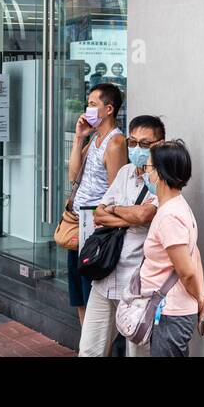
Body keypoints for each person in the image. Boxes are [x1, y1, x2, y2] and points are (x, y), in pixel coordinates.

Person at [79, 114, 164, 357]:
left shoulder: (162, 181)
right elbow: (99, 214)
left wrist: (115, 211)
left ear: (160, 144)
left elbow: (145, 215)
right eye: (133, 142)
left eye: (145, 144)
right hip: (105, 276)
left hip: (138, 286)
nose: (138, 149)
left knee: (138, 351)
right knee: (88, 351)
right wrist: (126, 214)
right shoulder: (126, 171)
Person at [140, 140, 204, 357]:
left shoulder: (170, 216)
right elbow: (194, 255)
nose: (146, 173)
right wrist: (202, 297)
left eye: (149, 167)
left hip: (171, 314)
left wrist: (201, 299)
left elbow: (187, 271)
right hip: (171, 312)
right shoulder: (178, 206)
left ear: (161, 174)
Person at [66, 82, 127, 325]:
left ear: (109, 109)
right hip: (78, 223)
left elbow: (116, 191)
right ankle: (87, 347)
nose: (87, 109)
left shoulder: (115, 142)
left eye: (93, 104)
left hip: (95, 227)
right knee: (78, 296)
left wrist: (104, 221)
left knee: (92, 294)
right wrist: (78, 138)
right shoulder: (95, 138)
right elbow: (73, 175)